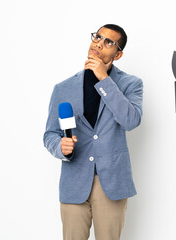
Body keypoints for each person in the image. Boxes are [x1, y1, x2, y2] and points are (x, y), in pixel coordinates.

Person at [43, 24, 143, 240]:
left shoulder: (130, 84)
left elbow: (130, 121)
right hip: (74, 181)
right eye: (98, 37)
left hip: (111, 182)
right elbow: (50, 134)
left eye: (109, 42)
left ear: (118, 54)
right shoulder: (63, 88)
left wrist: (103, 79)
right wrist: (60, 147)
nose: (99, 42)